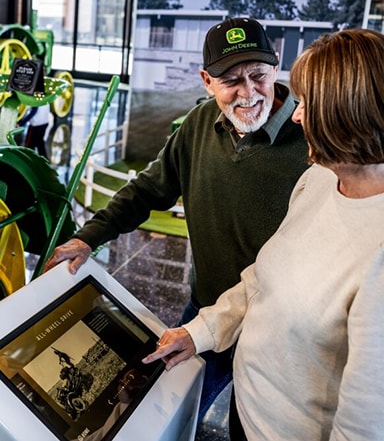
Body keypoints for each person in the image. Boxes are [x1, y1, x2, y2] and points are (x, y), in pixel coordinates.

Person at [43, 17, 309, 420]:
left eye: (258, 75)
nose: (248, 92)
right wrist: (89, 237)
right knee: (169, 412)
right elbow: (148, 189)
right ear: (206, 81)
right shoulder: (199, 124)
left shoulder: (312, 141)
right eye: (230, 81)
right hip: (205, 311)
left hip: (278, 330)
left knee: (252, 426)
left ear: (276, 68)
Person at [142, 28, 384, 441]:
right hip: (248, 415)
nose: (295, 114)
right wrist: (198, 332)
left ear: (346, 113)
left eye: (307, 103)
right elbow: (263, 277)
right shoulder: (319, 181)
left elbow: (365, 423)